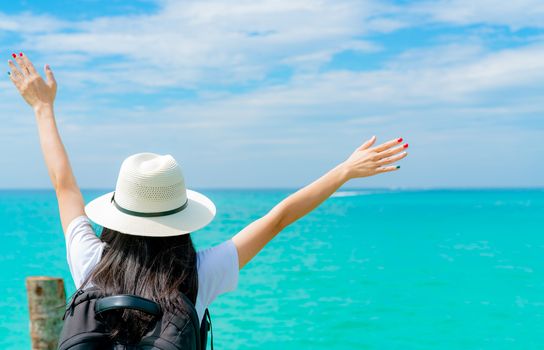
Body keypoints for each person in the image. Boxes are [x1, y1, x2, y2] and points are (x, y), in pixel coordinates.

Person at [7, 53, 409, 346]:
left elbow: (64, 185)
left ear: (116, 216)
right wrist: (345, 170)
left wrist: (43, 108)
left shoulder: (90, 262)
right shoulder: (200, 274)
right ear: (181, 216)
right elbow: (279, 217)